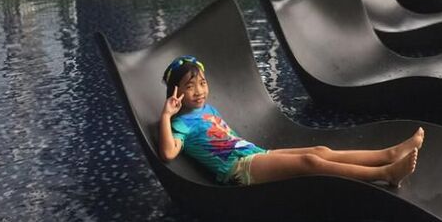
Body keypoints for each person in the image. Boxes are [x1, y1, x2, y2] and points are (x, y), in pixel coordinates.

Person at [158, 55, 421, 187]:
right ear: (176, 92)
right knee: (310, 163)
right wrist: (166, 115)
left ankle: (389, 154)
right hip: (239, 169)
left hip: (254, 154)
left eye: (202, 83)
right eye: (190, 86)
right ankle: (385, 174)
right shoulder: (181, 124)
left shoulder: (208, 109)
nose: (199, 91)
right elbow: (168, 153)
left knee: (320, 150)